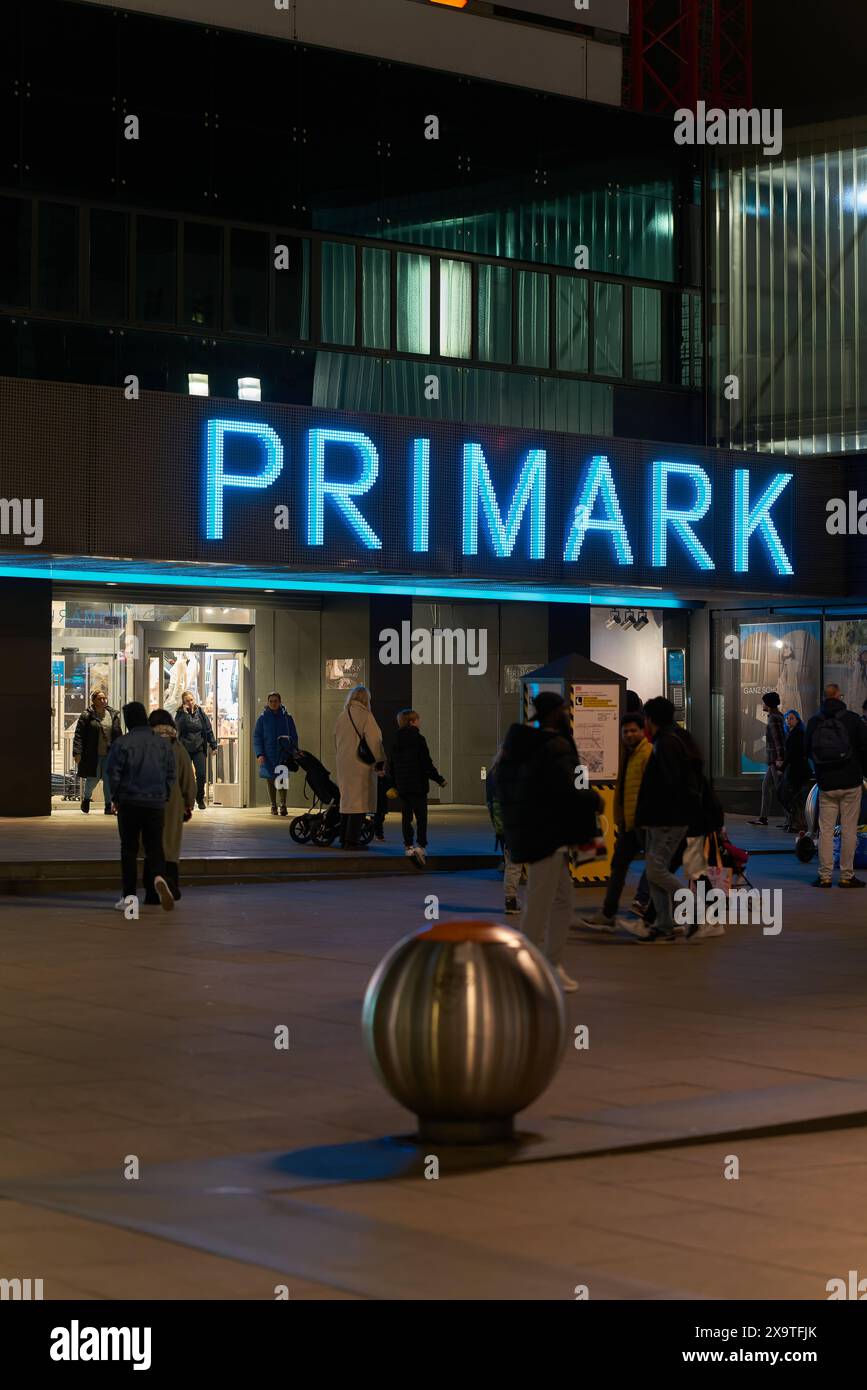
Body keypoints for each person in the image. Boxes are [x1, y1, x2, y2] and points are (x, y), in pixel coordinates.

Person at [497, 691, 599, 992]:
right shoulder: (553, 746)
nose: (569, 712)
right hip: (547, 834)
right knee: (542, 902)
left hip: (540, 832)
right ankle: (528, 969)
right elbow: (568, 787)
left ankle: (550, 965)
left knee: (560, 899)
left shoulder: (523, 745)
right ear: (556, 712)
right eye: (565, 708)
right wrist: (593, 800)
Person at [634, 696, 703, 942]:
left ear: (650, 719)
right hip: (664, 817)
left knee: (656, 870)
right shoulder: (672, 739)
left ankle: (693, 909)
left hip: (668, 819)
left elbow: (666, 784)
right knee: (655, 871)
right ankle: (665, 923)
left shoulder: (666, 744)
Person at [577, 712, 651, 931]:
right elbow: (623, 788)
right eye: (625, 731)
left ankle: (647, 905)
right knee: (618, 866)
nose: (629, 734)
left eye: (633, 730)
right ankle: (608, 912)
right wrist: (619, 817)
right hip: (628, 824)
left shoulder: (647, 754)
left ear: (642, 730)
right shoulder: (628, 754)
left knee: (655, 867)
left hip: (644, 822)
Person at [105, 701, 176, 912]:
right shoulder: (162, 744)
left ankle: (129, 898)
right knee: (154, 847)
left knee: (129, 849)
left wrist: (115, 798)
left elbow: (113, 772)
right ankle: (156, 885)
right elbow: (170, 772)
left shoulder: (123, 743)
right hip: (155, 802)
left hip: (129, 801)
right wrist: (164, 794)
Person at [804, 683, 867, 888]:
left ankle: (825, 876)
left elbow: (807, 749)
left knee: (826, 831)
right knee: (849, 829)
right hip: (851, 782)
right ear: (839, 697)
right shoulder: (853, 719)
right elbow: (864, 747)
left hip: (827, 783)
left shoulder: (814, 721)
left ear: (824, 697)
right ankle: (847, 876)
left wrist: (820, 770)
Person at [146, 709, 196, 902]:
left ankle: (151, 892)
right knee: (171, 845)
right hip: (173, 803)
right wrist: (188, 803)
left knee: (151, 845)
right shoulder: (177, 747)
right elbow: (188, 778)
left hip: (148, 800)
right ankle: (172, 883)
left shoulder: (146, 744)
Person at [388, 709, 446, 866]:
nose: (420, 721)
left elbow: (392, 765)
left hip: (403, 785)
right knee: (421, 817)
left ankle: (408, 846)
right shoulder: (419, 739)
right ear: (411, 722)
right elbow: (426, 764)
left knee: (406, 816)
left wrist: (393, 784)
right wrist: (439, 779)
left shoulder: (395, 740)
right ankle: (421, 845)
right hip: (418, 785)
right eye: (418, 719)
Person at [334, 685, 385, 850]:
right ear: (366, 699)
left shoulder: (342, 716)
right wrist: (380, 762)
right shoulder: (366, 716)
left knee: (346, 801)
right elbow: (375, 740)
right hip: (359, 765)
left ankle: (343, 838)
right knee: (358, 803)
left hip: (343, 763)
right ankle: (352, 841)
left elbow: (336, 740)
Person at [486, 749, 524, 915]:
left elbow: (490, 803)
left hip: (502, 827)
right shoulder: (517, 774)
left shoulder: (492, 774)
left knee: (512, 863)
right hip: (517, 825)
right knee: (517, 864)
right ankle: (512, 900)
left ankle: (511, 899)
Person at [72, 689, 122, 814]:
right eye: (100, 698)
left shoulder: (113, 715)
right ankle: (87, 800)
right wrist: (77, 752)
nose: (103, 700)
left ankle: (107, 806)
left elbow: (118, 733)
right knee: (92, 779)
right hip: (93, 753)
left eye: (104, 698)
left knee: (108, 780)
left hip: (109, 754)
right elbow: (79, 735)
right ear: (93, 700)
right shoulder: (87, 715)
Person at [253, 692, 298, 817]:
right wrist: (259, 754)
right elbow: (257, 737)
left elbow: (294, 735)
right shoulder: (262, 718)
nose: (273, 703)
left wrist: (294, 751)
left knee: (282, 778)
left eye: (275, 701)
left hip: (283, 753)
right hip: (268, 754)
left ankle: (283, 804)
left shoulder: (287, 718)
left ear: (280, 702)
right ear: (268, 703)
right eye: (271, 701)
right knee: (271, 779)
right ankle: (273, 805)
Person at [175, 690, 217, 811]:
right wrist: (184, 714)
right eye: (187, 701)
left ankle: (199, 798)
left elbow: (208, 729)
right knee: (187, 776)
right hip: (185, 749)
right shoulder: (180, 714)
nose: (190, 703)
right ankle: (189, 800)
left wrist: (213, 745)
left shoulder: (200, 712)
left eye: (191, 700)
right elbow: (178, 727)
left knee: (201, 774)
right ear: (183, 703)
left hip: (199, 748)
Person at [748, 691, 785, 826]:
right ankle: (763, 818)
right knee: (766, 786)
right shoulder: (778, 716)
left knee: (781, 789)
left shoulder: (774, 718)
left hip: (775, 760)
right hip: (774, 760)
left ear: (768, 704)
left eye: (764, 702)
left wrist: (780, 758)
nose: (762, 704)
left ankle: (791, 820)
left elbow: (778, 739)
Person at [780, 708, 810, 833]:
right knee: (794, 797)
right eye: (787, 718)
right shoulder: (794, 733)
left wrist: (781, 767)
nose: (788, 720)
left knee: (794, 797)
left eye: (791, 718)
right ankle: (797, 823)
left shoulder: (797, 734)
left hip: (797, 770)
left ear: (797, 720)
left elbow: (791, 753)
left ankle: (799, 824)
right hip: (797, 769)